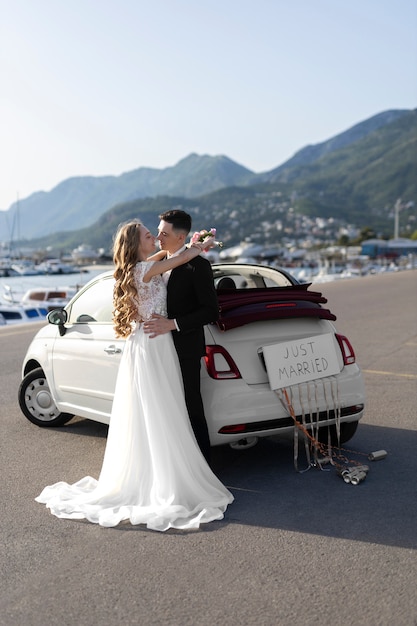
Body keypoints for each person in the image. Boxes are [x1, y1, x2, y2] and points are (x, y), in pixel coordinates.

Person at [35, 219, 233, 531]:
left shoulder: (140, 267)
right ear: (135, 244)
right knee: (161, 408)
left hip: (151, 342)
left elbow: (165, 258)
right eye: (147, 234)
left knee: (159, 409)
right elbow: (178, 259)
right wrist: (197, 247)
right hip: (153, 344)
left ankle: (165, 472)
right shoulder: (142, 271)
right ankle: (167, 478)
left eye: (155, 231)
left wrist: (189, 244)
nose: (153, 235)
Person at [143, 210, 218, 464]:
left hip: (185, 348)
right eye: (158, 231)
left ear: (181, 236)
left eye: (164, 233)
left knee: (191, 408)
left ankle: (203, 467)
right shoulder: (160, 261)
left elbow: (210, 310)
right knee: (166, 409)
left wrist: (172, 324)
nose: (158, 237)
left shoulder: (199, 265)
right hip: (158, 350)